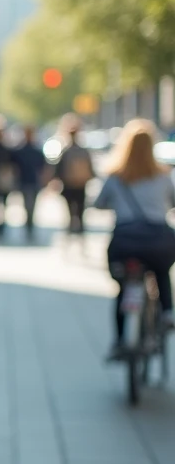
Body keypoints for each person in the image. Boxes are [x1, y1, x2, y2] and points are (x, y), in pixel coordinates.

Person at [93, 120, 175, 359]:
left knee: (123, 288)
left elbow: (98, 203)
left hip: (124, 242)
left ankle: (119, 340)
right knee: (160, 271)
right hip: (157, 240)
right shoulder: (162, 176)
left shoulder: (115, 176)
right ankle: (168, 313)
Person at [56, 113, 95, 243]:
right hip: (80, 185)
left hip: (69, 185)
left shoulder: (66, 151)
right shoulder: (83, 150)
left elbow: (58, 169)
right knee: (80, 211)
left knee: (71, 212)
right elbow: (91, 168)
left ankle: (72, 233)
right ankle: (80, 234)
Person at [13, 125, 49, 240]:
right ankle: (29, 226)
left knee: (30, 205)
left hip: (31, 181)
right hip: (27, 181)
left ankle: (30, 226)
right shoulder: (23, 150)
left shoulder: (33, 150)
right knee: (29, 205)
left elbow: (43, 167)